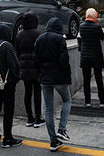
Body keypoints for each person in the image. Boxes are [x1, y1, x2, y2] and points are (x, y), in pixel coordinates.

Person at [33, 17, 72, 152]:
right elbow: (64, 60)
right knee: (67, 100)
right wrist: (67, 76)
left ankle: (53, 141)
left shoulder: (40, 38)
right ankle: (62, 129)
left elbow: (35, 59)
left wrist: (41, 74)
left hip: (44, 78)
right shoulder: (59, 39)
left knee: (48, 109)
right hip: (59, 77)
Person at [0, 24, 22, 148]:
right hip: (7, 82)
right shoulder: (7, 45)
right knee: (8, 109)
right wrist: (18, 77)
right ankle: (7, 138)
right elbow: (14, 64)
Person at [14, 11, 45, 128]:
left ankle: (29, 117)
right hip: (36, 68)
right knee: (37, 93)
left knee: (27, 93)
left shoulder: (19, 35)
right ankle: (38, 118)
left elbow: (17, 52)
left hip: (24, 69)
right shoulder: (38, 34)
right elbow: (41, 52)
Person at [78, 8, 104, 108]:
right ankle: (102, 101)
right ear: (95, 16)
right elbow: (102, 37)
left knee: (86, 80)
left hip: (85, 56)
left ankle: (87, 101)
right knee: (99, 79)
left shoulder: (81, 26)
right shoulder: (97, 27)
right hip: (96, 56)